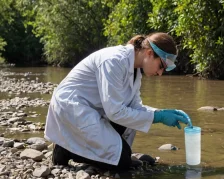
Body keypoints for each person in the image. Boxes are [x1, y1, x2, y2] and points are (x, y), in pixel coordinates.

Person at [44, 32, 192, 170]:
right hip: (71, 108)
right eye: (161, 66)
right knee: (121, 163)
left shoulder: (135, 71)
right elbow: (115, 112)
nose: (160, 73)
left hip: (93, 109)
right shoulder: (114, 61)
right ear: (149, 53)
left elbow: (133, 107)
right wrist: (156, 117)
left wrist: (160, 113)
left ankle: (83, 146)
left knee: (122, 156)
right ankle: (65, 149)